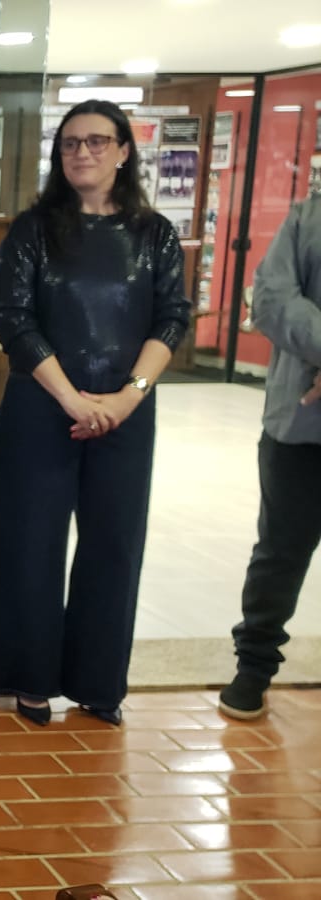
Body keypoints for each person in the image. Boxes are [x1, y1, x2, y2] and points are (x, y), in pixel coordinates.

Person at [0, 99, 189, 727]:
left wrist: (127, 396)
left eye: (97, 141)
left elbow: (172, 318)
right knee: (31, 542)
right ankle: (31, 677)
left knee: (114, 545)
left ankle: (98, 683)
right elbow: (15, 321)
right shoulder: (33, 231)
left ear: (124, 151)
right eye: (70, 143)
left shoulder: (155, 235)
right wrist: (70, 397)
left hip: (125, 413)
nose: (82, 153)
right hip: (43, 408)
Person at [219, 196, 321, 720]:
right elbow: (271, 300)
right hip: (300, 425)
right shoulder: (308, 218)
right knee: (280, 551)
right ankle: (254, 668)